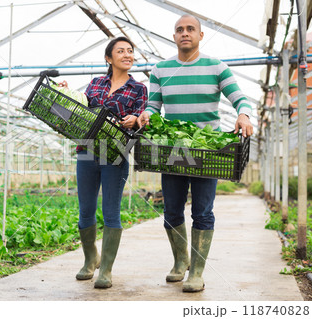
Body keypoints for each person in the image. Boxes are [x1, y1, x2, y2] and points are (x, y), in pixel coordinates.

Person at [137, 15, 254, 292]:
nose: (184, 33)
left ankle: (197, 273)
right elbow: (153, 106)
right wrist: (146, 114)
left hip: (206, 152)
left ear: (201, 36)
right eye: (179, 30)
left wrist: (244, 115)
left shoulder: (216, 67)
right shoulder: (161, 70)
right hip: (173, 150)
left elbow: (240, 97)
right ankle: (180, 263)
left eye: (190, 29)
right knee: (171, 210)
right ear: (174, 36)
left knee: (202, 212)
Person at [62, 36, 147, 289]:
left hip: (116, 154)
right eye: (120, 51)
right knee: (85, 210)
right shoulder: (96, 83)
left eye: (130, 51)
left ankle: (106, 269)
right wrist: (64, 91)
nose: (127, 55)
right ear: (109, 58)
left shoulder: (138, 89)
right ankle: (90, 260)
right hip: (87, 151)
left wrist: (136, 118)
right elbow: (81, 108)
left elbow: (143, 118)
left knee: (111, 212)